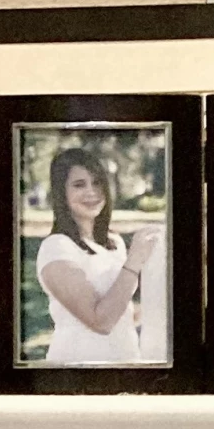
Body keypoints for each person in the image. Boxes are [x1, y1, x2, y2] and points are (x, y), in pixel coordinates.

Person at [35, 146, 160, 364]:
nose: (92, 192)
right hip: (79, 370)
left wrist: (162, 301)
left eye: (97, 182)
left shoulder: (114, 243)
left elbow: (122, 313)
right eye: (79, 185)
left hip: (125, 364)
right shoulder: (56, 248)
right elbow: (101, 321)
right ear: (61, 193)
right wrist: (134, 262)